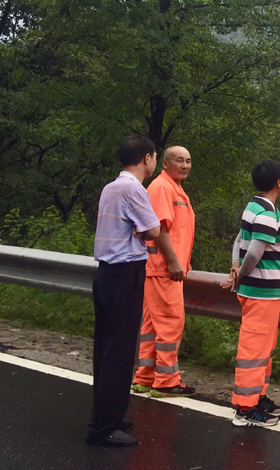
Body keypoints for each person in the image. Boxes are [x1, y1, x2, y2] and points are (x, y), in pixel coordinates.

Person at [86, 135, 160, 447]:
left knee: (105, 348)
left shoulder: (111, 187)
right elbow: (154, 229)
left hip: (105, 274)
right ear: (148, 158)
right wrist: (143, 230)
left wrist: (139, 229)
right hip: (125, 273)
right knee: (119, 351)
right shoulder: (134, 189)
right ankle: (103, 428)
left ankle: (108, 415)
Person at [221, 159, 280, 427]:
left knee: (263, 349)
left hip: (266, 293)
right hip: (261, 292)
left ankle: (258, 396)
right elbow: (254, 251)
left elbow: (239, 240)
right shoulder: (266, 213)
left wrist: (236, 268)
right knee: (254, 350)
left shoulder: (255, 206)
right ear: (279, 182)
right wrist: (240, 273)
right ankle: (245, 406)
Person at [131, 146, 196, 397]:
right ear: (165, 163)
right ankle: (167, 380)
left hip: (161, 269)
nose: (185, 165)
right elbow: (158, 228)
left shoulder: (174, 187)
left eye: (188, 161)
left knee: (153, 324)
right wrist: (173, 262)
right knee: (170, 322)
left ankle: (146, 377)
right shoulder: (162, 187)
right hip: (163, 269)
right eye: (179, 160)